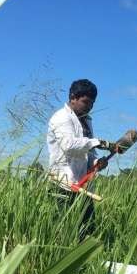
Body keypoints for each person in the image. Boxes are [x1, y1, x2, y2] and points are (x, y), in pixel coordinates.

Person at [46, 79, 126, 238]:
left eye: (92, 103)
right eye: (85, 102)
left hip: (83, 187)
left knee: (88, 232)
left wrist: (96, 163)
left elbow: (87, 151)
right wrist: (100, 143)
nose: (89, 107)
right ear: (73, 97)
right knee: (64, 232)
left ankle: (88, 262)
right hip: (63, 184)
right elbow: (69, 145)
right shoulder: (61, 118)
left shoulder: (86, 120)